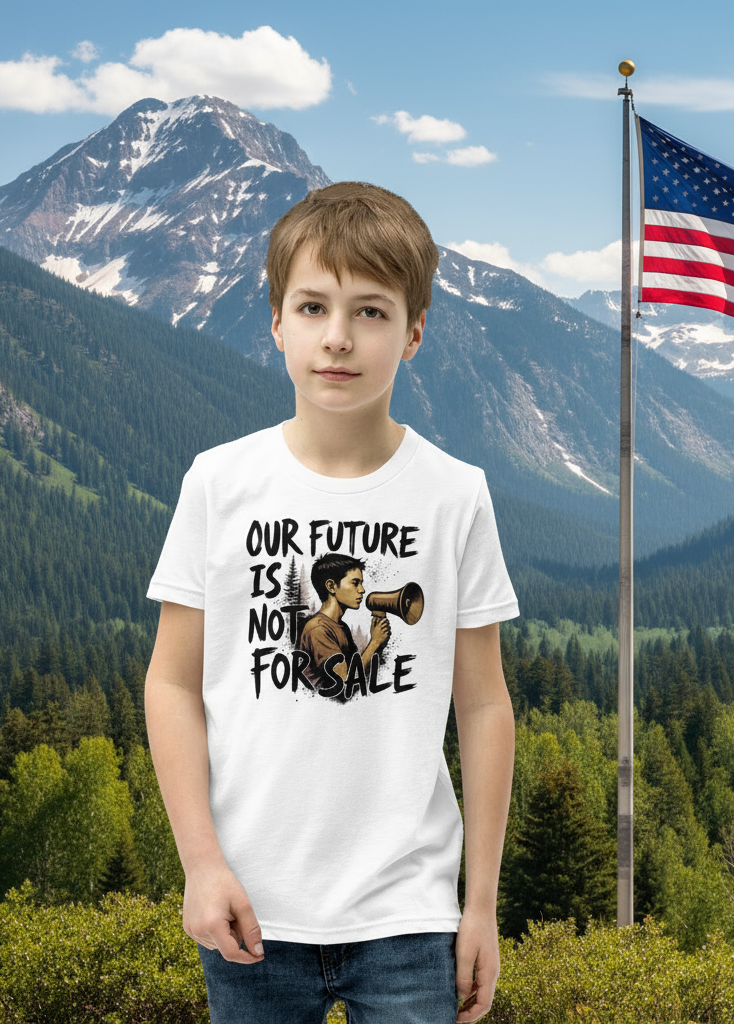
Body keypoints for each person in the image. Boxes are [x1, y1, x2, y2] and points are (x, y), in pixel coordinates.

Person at [144, 181, 519, 1024]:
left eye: (372, 313)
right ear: (276, 321)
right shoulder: (219, 482)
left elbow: (485, 703)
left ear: (414, 333)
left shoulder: (456, 495)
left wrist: (481, 905)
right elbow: (170, 683)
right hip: (250, 905)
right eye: (313, 307)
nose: (338, 338)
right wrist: (200, 864)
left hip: (410, 914)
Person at [297, 553, 390, 697]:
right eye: (355, 583)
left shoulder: (340, 627)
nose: (362, 590)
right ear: (331, 586)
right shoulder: (318, 629)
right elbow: (345, 680)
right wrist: (375, 642)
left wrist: (379, 644)